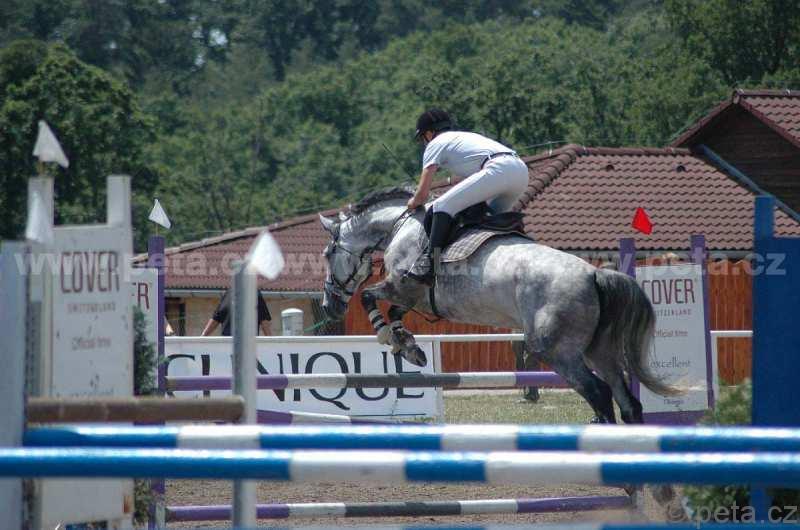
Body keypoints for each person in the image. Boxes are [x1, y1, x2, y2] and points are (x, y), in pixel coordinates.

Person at [405, 109, 530, 285]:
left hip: (498, 168)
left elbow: (422, 195)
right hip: (521, 171)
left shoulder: (435, 143)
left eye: (423, 138)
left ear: (429, 133)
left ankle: (429, 265)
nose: (424, 143)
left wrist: (412, 202)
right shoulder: (464, 138)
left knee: (440, 206)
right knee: (486, 221)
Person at [200, 288, 272, 336]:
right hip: (227, 344)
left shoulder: (254, 294)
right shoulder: (229, 293)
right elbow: (216, 318)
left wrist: (272, 345)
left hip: (246, 346)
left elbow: (264, 321)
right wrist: (202, 338)